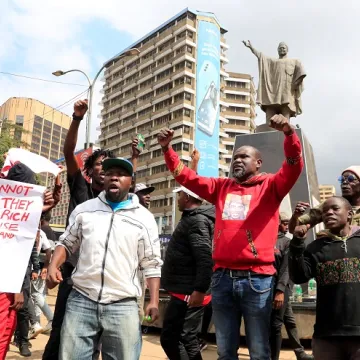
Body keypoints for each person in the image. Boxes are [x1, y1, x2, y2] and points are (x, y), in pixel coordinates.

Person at [157, 114, 303, 360]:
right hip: (222, 279)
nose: (238, 160)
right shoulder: (221, 187)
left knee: (258, 350)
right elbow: (186, 178)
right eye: (235, 157)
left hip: (257, 281)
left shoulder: (271, 186)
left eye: (244, 157)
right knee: (225, 351)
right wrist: (167, 149)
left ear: (258, 163)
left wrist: (289, 134)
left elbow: (294, 164)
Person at [47, 157, 162, 359]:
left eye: (121, 174)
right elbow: (65, 243)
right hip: (82, 300)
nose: (114, 178)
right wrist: (53, 265)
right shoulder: (85, 210)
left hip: (123, 305)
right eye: (110, 174)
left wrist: (153, 300)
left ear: (131, 182)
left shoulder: (144, 218)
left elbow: (151, 262)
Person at [42, 100, 117, 360]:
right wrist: (77, 118)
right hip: (72, 275)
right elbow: (68, 150)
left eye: (109, 165)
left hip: (100, 278)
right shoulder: (81, 189)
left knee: (93, 338)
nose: (103, 168)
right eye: (98, 164)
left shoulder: (115, 200)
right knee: (60, 330)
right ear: (90, 170)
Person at [289, 196, 360, 359]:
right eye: (325, 211)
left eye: (335, 209)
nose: (328, 213)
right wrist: (297, 243)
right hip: (327, 336)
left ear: (349, 215)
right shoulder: (316, 248)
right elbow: (298, 277)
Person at [1, 163, 55, 358]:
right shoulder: (6, 215)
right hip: (7, 286)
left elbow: (25, 249)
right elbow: (8, 250)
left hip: (17, 284)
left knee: (8, 332)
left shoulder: (22, 218)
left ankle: (22, 340)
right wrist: (17, 290)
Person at [160, 186, 214, 360]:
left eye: (180, 194)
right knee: (187, 339)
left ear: (187, 198)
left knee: (172, 339)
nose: (178, 198)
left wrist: (199, 289)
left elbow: (205, 257)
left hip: (188, 293)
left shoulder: (197, 220)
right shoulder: (193, 218)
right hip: (185, 290)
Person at [270, 213, 313, 360]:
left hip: (282, 288)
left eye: (288, 222)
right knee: (289, 320)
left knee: (276, 324)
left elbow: (286, 269)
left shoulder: (286, 242)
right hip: (269, 287)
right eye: (284, 222)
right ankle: (299, 352)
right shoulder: (268, 240)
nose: (286, 225)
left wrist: (280, 289)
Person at [289, 166, 360, 233]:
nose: (344, 182)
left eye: (350, 179)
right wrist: (295, 217)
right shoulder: (330, 205)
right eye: (342, 180)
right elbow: (293, 229)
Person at [28, 228, 53, 339]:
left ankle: (43, 321)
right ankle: (35, 323)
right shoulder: (42, 232)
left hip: (33, 267)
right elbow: (49, 250)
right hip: (38, 267)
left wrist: (45, 267)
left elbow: (48, 250)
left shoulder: (36, 231)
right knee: (36, 295)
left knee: (33, 295)